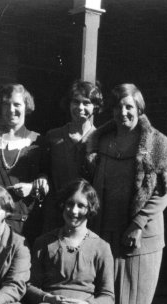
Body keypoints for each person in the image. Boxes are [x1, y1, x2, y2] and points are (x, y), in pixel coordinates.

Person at [86, 84, 167, 304]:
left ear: (139, 109)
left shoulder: (157, 144)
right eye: (118, 107)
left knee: (134, 302)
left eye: (129, 108)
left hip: (142, 235)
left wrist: (137, 224)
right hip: (108, 230)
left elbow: (164, 193)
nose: (123, 113)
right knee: (117, 301)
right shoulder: (102, 141)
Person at [0, 83, 48, 246]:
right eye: (6, 104)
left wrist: (32, 187)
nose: (11, 109)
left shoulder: (38, 142)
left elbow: (48, 181)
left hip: (25, 225)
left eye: (17, 104)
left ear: (26, 107)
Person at [39, 81, 103, 232]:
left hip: (85, 216)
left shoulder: (101, 140)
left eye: (86, 103)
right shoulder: (53, 137)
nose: (80, 107)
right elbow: (43, 169)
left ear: (95, 106)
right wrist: (42, 177)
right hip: (56, 214)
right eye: (75, 102)